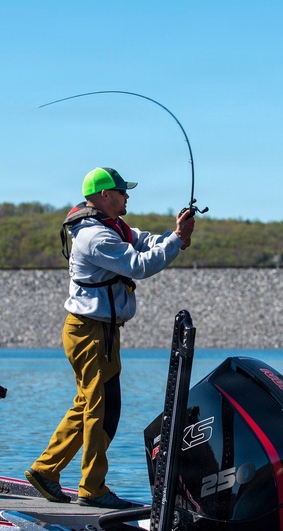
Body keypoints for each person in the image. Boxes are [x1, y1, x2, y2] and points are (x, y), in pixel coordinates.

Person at [25, 167, 195, 508]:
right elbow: (140, 265)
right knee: (101, 410)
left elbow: (144, 242)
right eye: (121, 191)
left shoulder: (109, 227)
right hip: (90, 334)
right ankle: (92, 488)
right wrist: (176, 240)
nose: (127, 196)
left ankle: (46, 470)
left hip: (97, 332)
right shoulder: (95, 237)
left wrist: (174, 236)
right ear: (104, 196)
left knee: (91, 405)